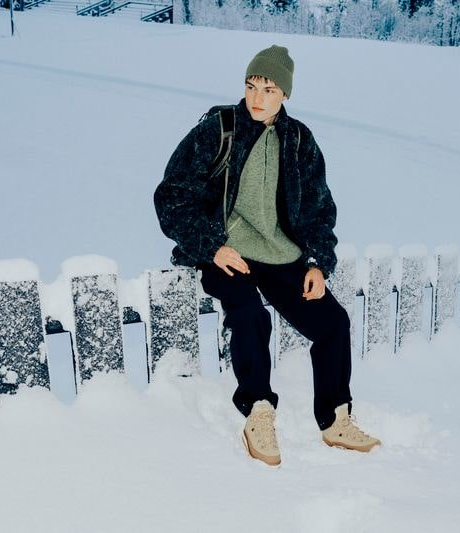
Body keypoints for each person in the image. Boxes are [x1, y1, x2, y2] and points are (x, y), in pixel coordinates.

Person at [154, 45, 380, 466]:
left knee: (333, 323)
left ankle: (335, 419)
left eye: (269, 89)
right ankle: (259, 412)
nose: (257, 98)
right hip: (227, 252)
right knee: (249, 315)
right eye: (251, 86)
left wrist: (316, 262)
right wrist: (211, 246)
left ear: (285, 94)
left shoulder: (298, 141)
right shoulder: (218, 129)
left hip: (280, 254)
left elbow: (318, 209)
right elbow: (172, 197)